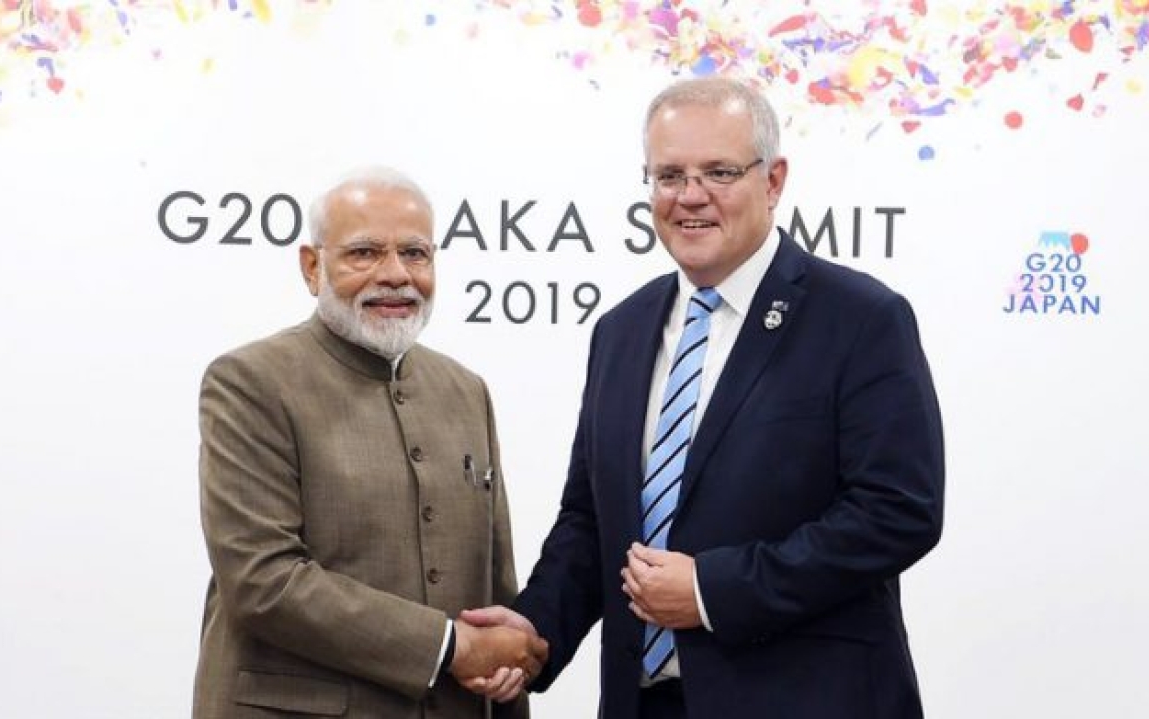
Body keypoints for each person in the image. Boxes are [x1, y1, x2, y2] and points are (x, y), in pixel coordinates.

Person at [463, 77, 945, 718]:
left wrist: (715, 590)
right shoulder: (621, 330)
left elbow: (897, 511)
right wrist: (535, 628)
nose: (690, 197)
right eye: (669, 176)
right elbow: (591, 521)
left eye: (719, 172)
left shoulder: (860, 318)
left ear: (773, 181)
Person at [192, 166, 546, 718]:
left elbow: (494, 582)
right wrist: (448, 647)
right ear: (313, 266)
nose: (396, 275)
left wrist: (506, 664)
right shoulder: (251, 382)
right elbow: (263, 580)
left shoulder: (464, 390)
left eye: (416, 254)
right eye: (364, 253)